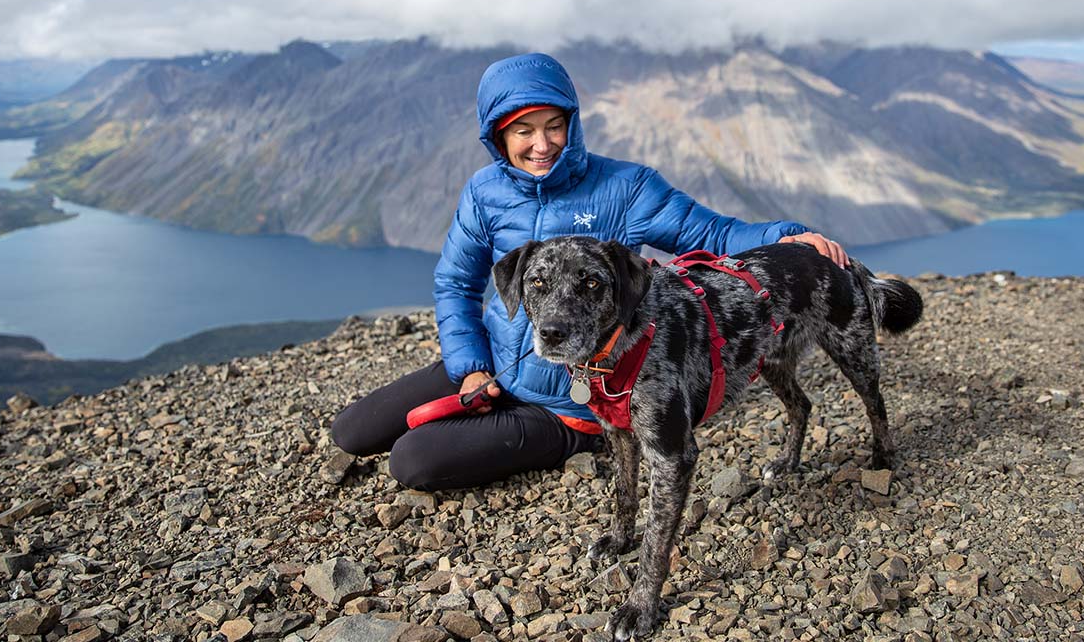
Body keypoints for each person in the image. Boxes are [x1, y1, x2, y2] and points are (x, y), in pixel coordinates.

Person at [330, 53, 848, 491]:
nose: (542, 144)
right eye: (523, 131)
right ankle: (482, 396)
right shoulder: (484, 192)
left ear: (572, 123)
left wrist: (787, 236)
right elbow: (456, 282)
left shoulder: (625, 187)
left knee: (412, 461)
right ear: (497, 135)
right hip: (490, 361)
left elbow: (710, 235)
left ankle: (579, 434)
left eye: (554, 126)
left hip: (567, 398)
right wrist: (470, 366)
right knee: (351, 433)